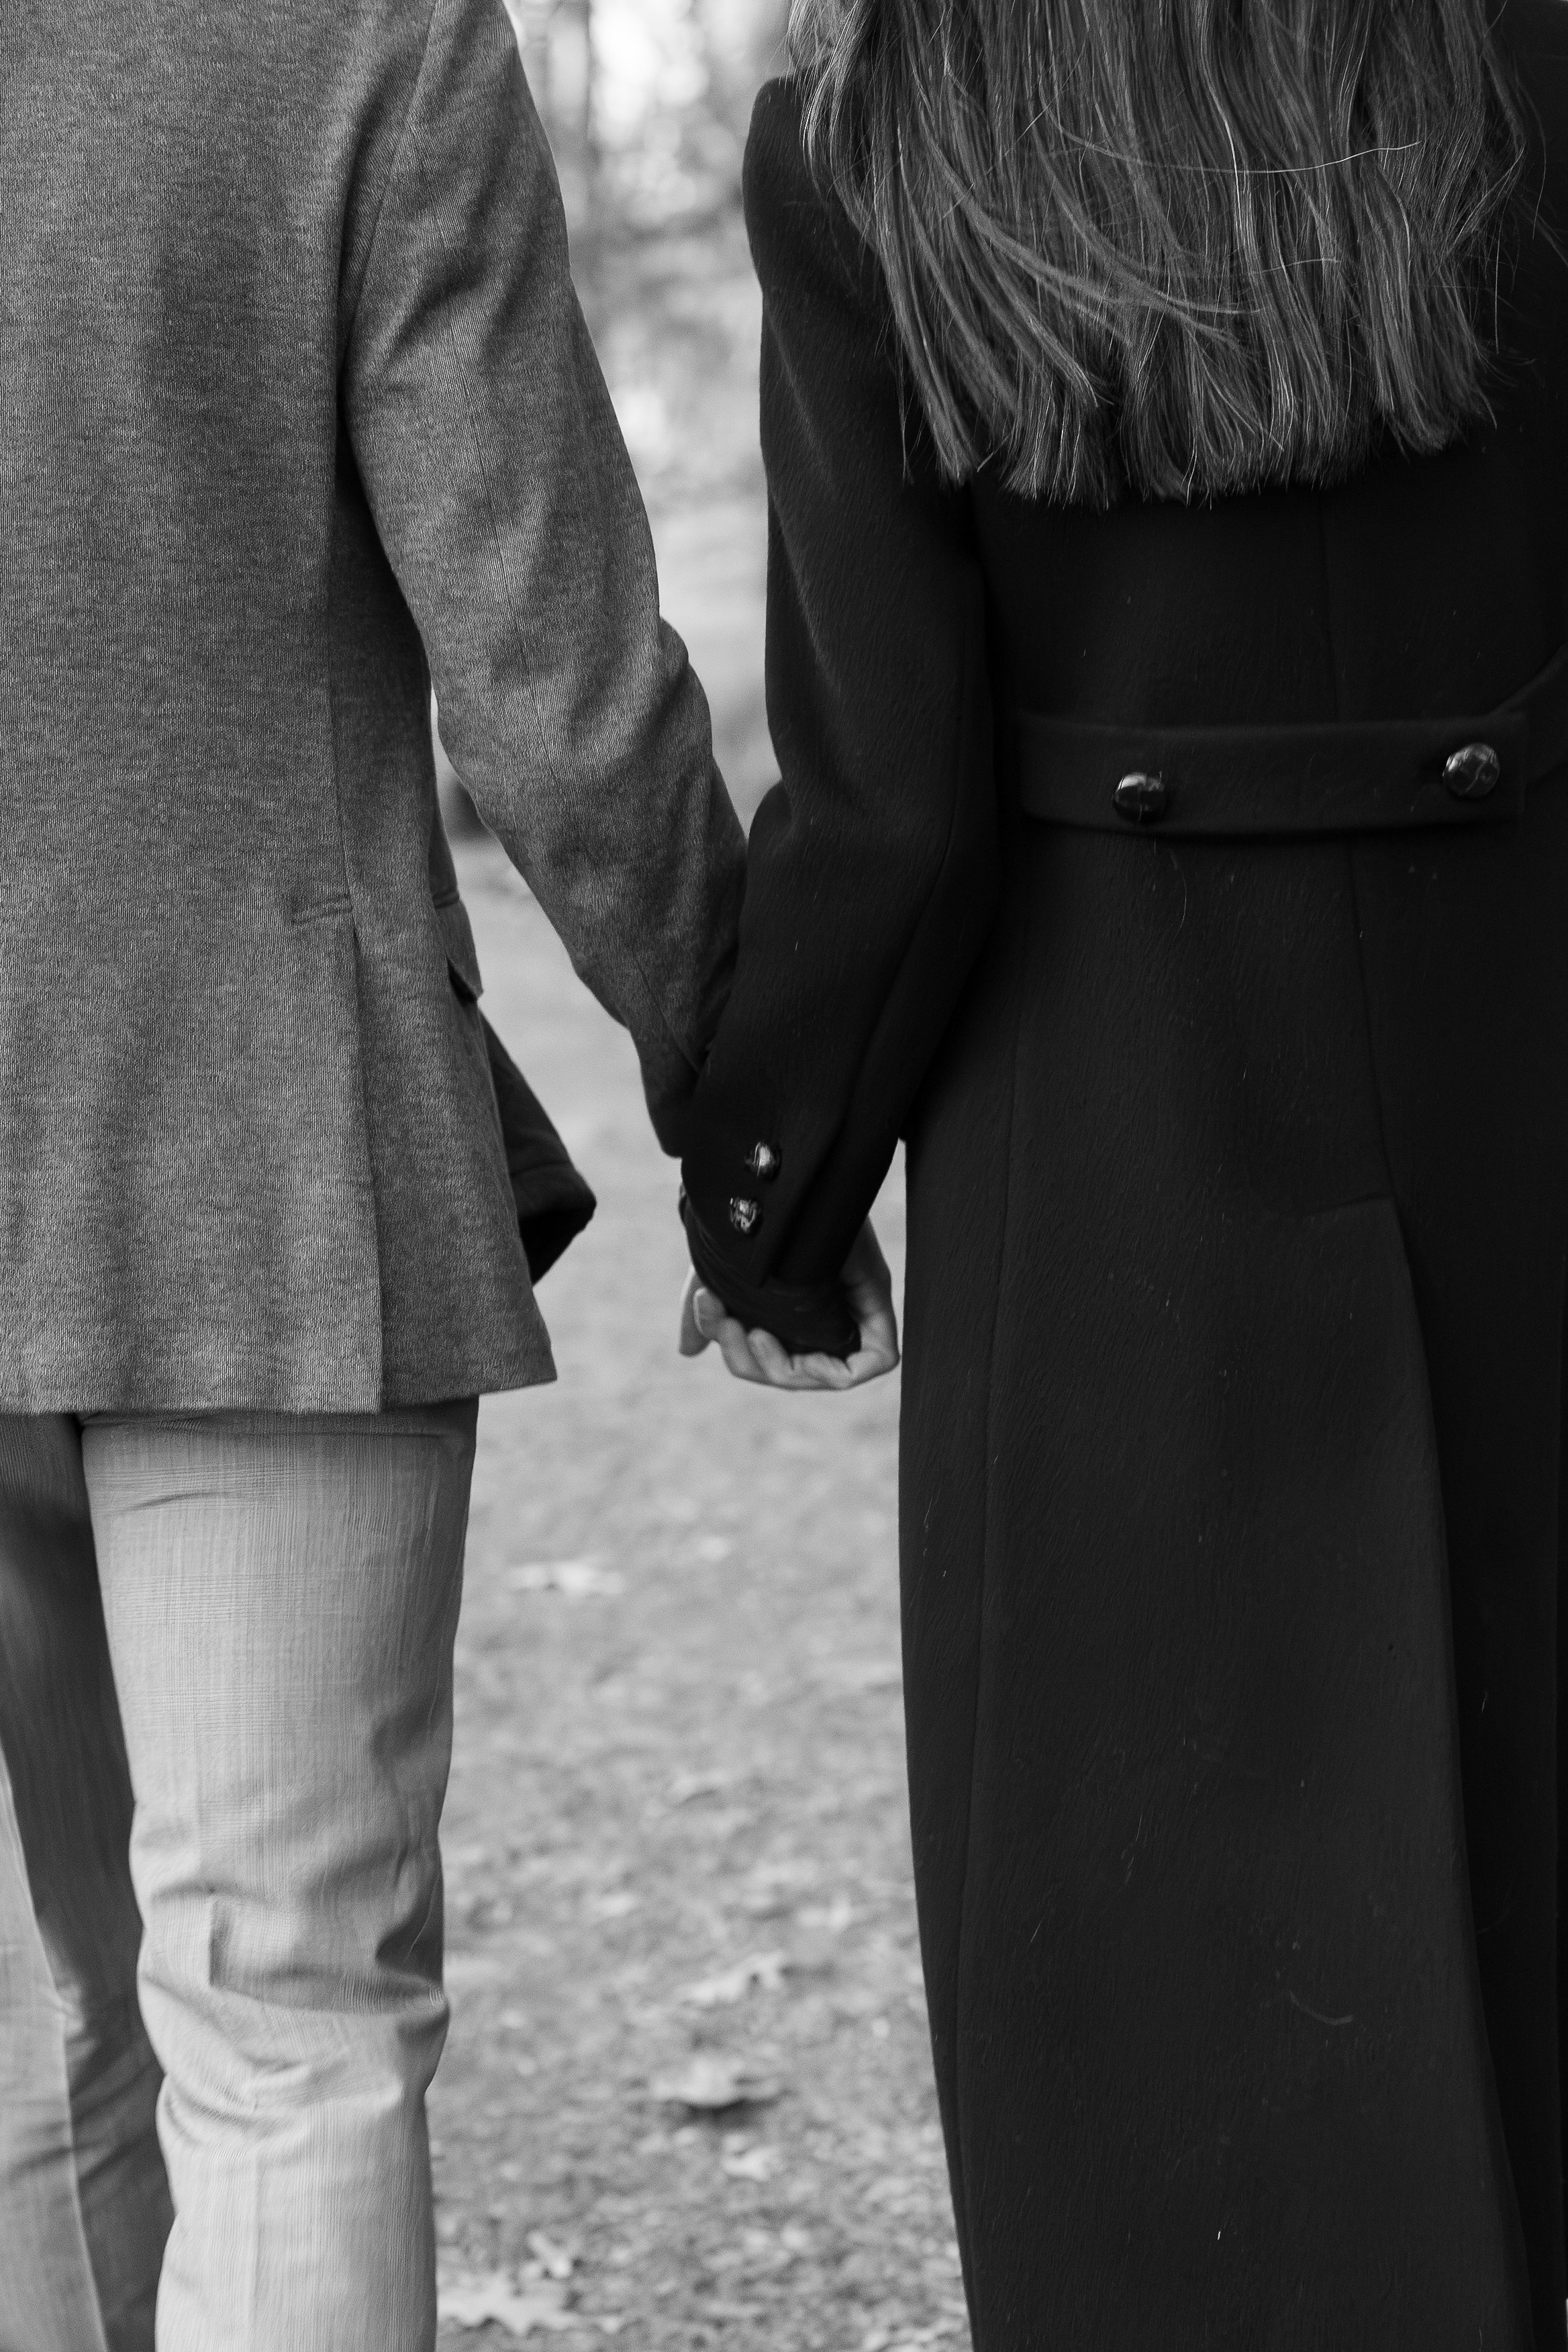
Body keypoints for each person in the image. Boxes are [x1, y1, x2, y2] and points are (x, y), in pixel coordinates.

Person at [677, 0, 1568, 2339]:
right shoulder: (1513, 68)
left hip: (1106, 1116)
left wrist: (773, 1202)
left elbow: (891, 803)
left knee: (1143, 1921)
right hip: (1515, 1044)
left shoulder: (872, 146)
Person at [0, 0, 744, 2345]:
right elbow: (553, 673)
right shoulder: (361, 32)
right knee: (286, 2018)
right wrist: (756, 1113)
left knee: (36, 2024)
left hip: (215, 1145)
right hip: (263, 1138)